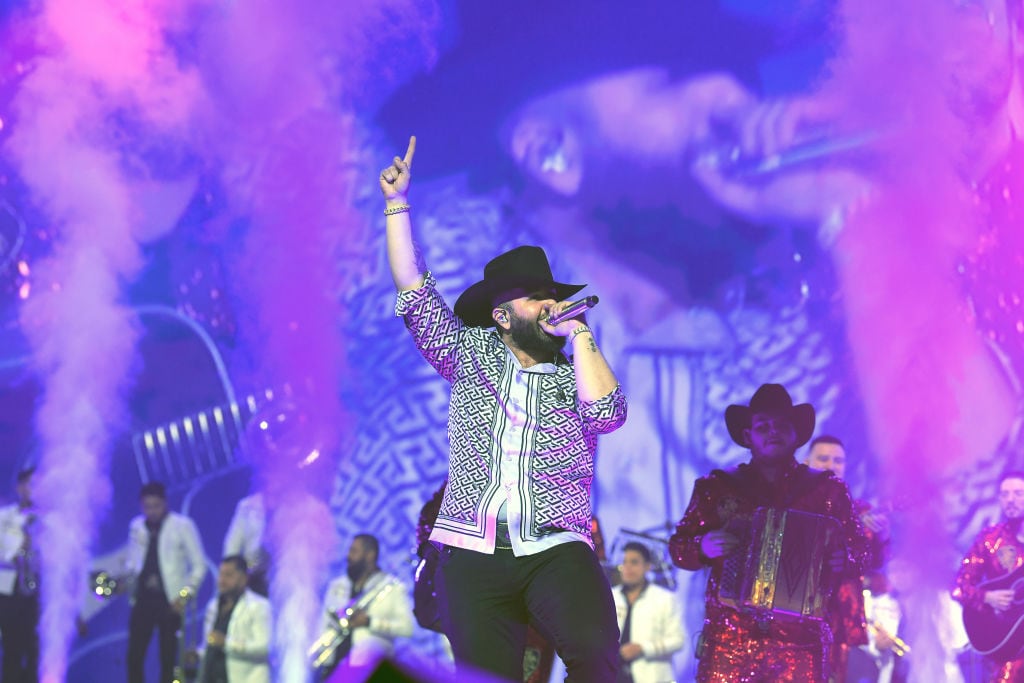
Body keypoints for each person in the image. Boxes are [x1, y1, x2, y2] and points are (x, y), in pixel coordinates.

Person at [381, 136, 628, 681]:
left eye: (551, 293)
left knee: (595, 653)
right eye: (533, 296)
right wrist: (398, 204)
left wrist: (580, 331)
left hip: (556, 544)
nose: (547, 302)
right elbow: (413, 289)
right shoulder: (469, 354)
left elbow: (608, 413)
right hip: (472, 548)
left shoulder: (574, 372)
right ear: (500, 315)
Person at [670, 383, 867, 682]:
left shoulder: (827, 490)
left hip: (800, 642)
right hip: (730, 638)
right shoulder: (717, 486)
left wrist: (845, 559)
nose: (773, 432)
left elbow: (861, 550)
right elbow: (678, 546)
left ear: (796, 435)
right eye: (763, 426)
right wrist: (702, 547)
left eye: (781, 425)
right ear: (747, 436)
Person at [804, 434, 890, 682]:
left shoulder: (858, 509)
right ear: (807, 461)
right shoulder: (792, 503)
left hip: (839, 615)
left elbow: (875, 564)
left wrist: (882, 536)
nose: (831, 465)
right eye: (823, 459)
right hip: (795, 611)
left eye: (838, 461)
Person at [121, 481, 208, 683]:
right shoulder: (136, 526)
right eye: (146, 507)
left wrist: (183, 596)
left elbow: (199, 566)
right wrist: (126, 580)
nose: (151, 512)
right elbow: (133, 561)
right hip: (142, 600)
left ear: (165, 503)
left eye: (156, 506)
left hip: (170, 602)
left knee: (168, 660)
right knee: (134, 657)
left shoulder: (182, 526)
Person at [953, 470, 1024, 681]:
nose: (1011, 500)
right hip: (1009, 649)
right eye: (1005, 494)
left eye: (1018, 493)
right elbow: (959, 586)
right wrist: (987, 598)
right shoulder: (990, 538)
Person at [317, 534, 413, 675]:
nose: (348, 556)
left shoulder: (392, 587)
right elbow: (324, 623)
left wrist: (369, 622)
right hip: (334, 667)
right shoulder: (337, 585)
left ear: (370, 555)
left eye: (354, 551)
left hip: (371, 668)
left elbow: (407, 628)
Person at [614, 541, 685, 683]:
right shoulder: (610, 596)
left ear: (647, 567)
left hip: (650, 677)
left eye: (634, 562)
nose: (627, 567)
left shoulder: (664, 599)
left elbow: (678, 640)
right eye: (624, 562)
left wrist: (643, 648)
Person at [196, 555, 270, 683]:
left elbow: (265, 647)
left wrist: (227, 643)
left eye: (228, 575)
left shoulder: (259, 606)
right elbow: (211, 643)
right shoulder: (213, 606)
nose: (222, 580)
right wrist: (198, 654)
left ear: (243, 579)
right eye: (221, 574)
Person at [0, 466, 39, 683]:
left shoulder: (50, 520)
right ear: (20, 488)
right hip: (8, 590)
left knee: (36, 651)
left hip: (37, 592)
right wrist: (18, 548)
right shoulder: (4, 516)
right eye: (30, 484)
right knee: (12, 651)